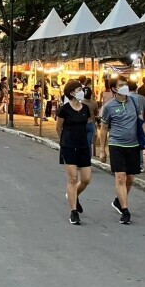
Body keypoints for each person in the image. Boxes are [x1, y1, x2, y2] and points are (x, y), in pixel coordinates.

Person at [101, 76, 145, 225]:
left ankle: (118, 201)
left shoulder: (134, 102)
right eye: (121, 85)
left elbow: (140, 123)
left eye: (125, 84)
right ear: (114, 89)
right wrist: (102, 150)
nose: (125, 87)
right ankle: (125, 210)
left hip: (133, 146)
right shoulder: (109, 107)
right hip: (116, 145)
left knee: (130, 179)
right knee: (120, 177)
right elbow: (103, 129)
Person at [57, 80, 93, 225]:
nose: (82, 91)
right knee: (72, 178)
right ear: (71, 92)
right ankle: (73, 212)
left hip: (83, 146)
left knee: (86, 179)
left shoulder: (85, 108)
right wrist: (64, 141)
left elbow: (88, 124)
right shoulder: (64, 109)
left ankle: (73, 195)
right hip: (69, 146)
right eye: (79, 89)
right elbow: (58, 128)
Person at [129, 81, 145, 172]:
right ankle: (140, 164)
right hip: (141, 122)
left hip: (129, 122)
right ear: (136, 88)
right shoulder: (142, 98)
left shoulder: (126, 98)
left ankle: (130, 163)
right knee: (140, 143)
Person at [98, 79, 117, 163]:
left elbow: (101, 101)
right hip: (111, 110)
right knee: (106, 128)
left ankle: (104, 148)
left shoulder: (103, 92)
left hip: (105, 110)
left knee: (104, 127)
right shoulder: (112, 95)